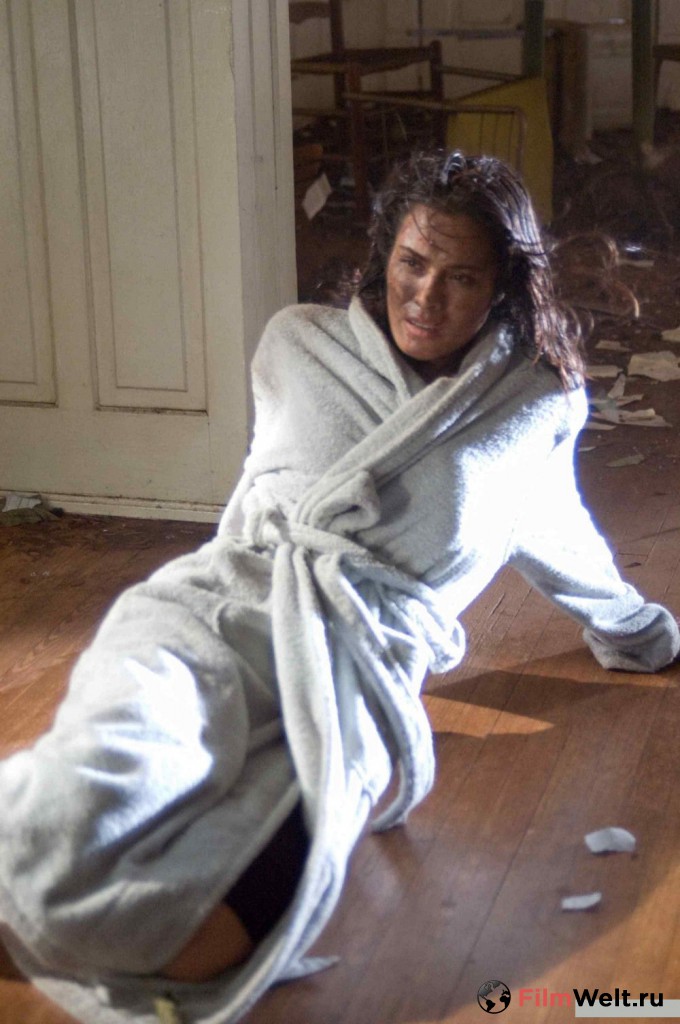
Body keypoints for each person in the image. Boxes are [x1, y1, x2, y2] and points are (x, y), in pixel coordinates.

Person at [0, 150, 677, 1024]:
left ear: (503, 287)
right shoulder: (295, 344)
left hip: (357, 659)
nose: (426, 296)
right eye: (412, 262)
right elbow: (259, 488)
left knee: (217, 926)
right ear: (384, 253)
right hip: (219, 606)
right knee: (105, 771)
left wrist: (636, 629)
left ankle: (51, 928)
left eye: (461, 277)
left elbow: (558, 529)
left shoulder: (534, 403)